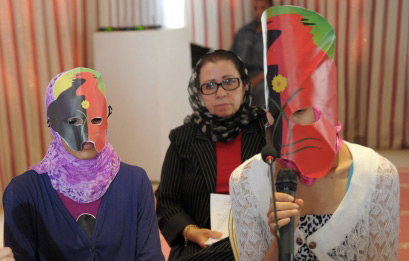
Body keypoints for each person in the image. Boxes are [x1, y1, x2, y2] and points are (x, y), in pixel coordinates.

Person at [229, 6, 400, 261]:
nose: (286, 134)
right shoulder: (245, 182)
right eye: (274, 117)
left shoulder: (379, 177)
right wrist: (278, 240)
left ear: (326, 104)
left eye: (299, 112)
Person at [3, 68, 164, 260]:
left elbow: (150, 256)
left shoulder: (135, 183)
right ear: (52, 124)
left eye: (96, 119)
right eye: (74, 120)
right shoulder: (23, 192)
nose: (87, 132)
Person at [155, 50, 266, 260]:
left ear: (244, 84)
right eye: (210, 85)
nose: (221, 92)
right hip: (202, 239)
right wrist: (191, 231)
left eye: (229, 82)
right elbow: (166, 199)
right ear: (199, 93)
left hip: (258, 234)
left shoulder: (265, 129)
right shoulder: (182, 138)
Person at [230, 0, 272, 107]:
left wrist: (253, 81)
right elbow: (230, 59)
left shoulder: (275, 32)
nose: (259, 11)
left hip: (264, 77)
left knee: (262, 91)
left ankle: (261, 122)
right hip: (240, 76)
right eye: (255, 8)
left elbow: (277, 65)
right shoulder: (242, 32)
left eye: (263, 7)